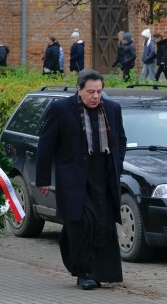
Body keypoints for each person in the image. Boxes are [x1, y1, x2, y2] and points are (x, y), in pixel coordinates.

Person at [36, 69, 127, 290]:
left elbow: (121, 139)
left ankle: (102, 272)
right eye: (90, 92)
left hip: (103, 174)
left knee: (104, 223)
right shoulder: (61, 109)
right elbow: (46, 146)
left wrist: (117, 164)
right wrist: (43, 179)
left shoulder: (112, 109)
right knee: (82, 223)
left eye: (99, 91)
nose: (95, 96)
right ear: (79, 89)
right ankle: (83, 272)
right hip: (74, 178)